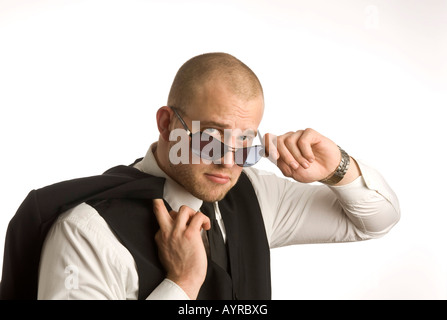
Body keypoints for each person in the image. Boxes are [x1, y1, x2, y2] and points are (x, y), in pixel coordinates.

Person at [7, 52, 400, 300]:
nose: (230, 162)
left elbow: (373, 222)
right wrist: (182, 284)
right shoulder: (87, 233)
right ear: (166, 124)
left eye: (245, 142)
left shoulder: (257, 196)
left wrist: (336, 168)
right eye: (211, 138)